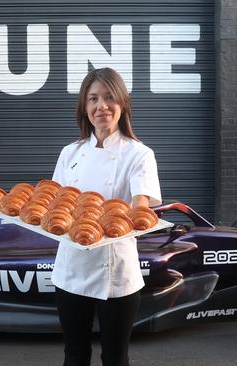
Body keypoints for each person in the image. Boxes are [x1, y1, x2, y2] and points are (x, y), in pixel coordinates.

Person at [51, 67, 162, 366]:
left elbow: (140, 207)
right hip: (70, 269)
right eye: (93, 99)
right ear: (84, 107)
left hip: (116, 272)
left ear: (122, 103)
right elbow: (57, 205)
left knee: (115, 358)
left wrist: (136, 213)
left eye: (109, 97)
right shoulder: (69, 153)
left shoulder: (139, 154)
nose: (102, 106)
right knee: (74, 356)